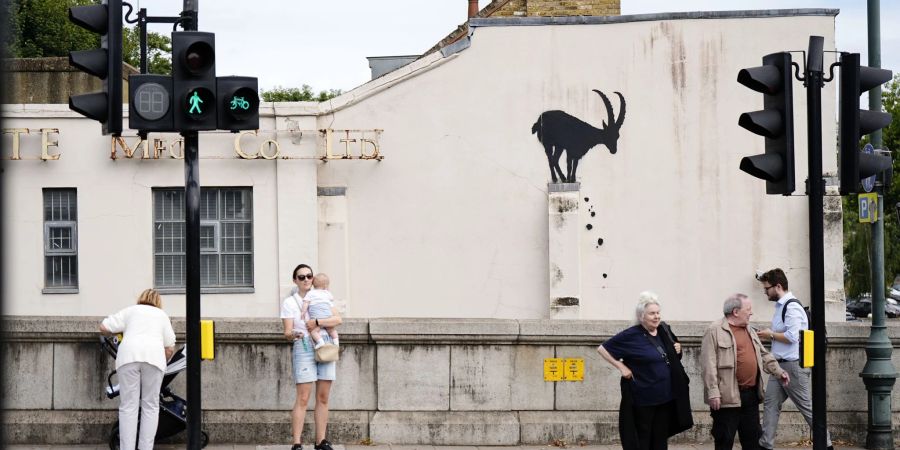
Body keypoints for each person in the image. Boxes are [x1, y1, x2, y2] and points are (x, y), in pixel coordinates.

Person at [596, 291, 692, 450]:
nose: (656, 317)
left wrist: (678, 348)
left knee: (661, 438)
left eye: (658, 313)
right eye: (652, 313)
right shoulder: (631, 335)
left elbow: (673, 356)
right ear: (641, 316)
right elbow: (602, 349)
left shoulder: (664, 330)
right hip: (644, 398)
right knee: (643, 439)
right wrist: (621, 367)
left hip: (666, 397)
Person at [700, 293, 790, 450]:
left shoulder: (750, 329)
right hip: (726, 398)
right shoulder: (714, 331)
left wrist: (779, 372)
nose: (751, 312)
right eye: (748, 309)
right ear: (735, 312)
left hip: (750, 396)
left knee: (753, 441)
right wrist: (713, 392)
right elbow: (708, 364)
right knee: (724, 441)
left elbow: (763, 354)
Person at [756, 268, 833, 450]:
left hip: (793, 366)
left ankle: (827, 445)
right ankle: (765, 445)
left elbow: (793, 336)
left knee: (807, 408)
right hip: (780, 367)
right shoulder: (782, 307)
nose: (765, 292)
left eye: (767, 288)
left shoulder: (792, 307)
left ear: (778, 286)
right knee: (770, 405)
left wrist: (770, 335)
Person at [99, 288, 176, 450]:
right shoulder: (162, 316)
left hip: (128, 357)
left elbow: (104, 327)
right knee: (150, 406)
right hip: (154, 359)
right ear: (158, 302)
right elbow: (170, 347)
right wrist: (162, 360)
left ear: (140, 299)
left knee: (128, 406)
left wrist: (124, 330)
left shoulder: (130, 311)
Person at [281, 264, 343, 450]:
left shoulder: (322, 296)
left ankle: (320, 441)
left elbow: (338, 319)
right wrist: (294, 335)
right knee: (303, 397)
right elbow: (287, 332)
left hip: (325, 345)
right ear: (295, 280)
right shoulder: (290, 302)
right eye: (301, 277)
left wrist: (316, 322)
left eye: (309, 276)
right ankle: (297, 443)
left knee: (323, 396)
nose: (306, 279)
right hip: (304, 346)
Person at [302, 273, 340, 348]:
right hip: (327, 316)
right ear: (326, 286)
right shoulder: (327, 293)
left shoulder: (310, 293)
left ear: (313, 284)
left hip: (316, 316)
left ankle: (320, 342)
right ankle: (336, 343)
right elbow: (331, 301)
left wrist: (303, 312)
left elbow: (306, 303)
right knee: (332, 330)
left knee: (314, 332)